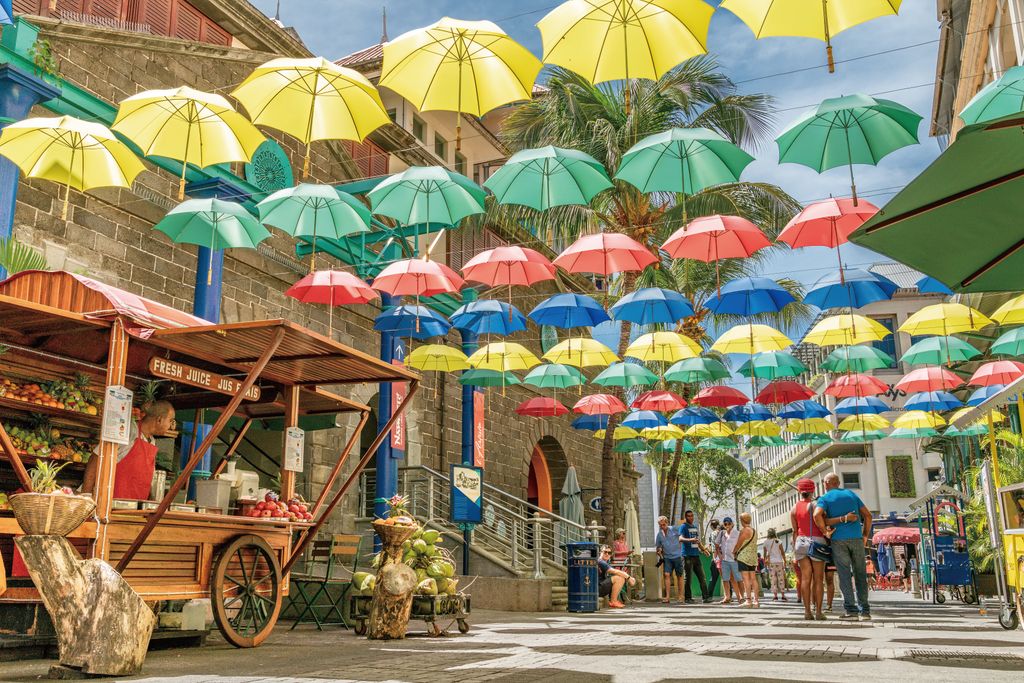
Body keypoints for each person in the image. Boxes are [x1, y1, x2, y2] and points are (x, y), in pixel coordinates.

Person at [82, 400, 176, 500]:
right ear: (159, 420)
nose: (171, 426)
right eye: (170, 421)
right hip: (109, 502)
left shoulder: (151, 441)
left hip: (132, 507)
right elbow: (96, 457)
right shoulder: (127, 430)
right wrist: (86, 495)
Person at [814, 472, 873, 622]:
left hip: (838, 540)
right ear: (838, 483)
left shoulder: (825, 498)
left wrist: (824, 530)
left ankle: (851, 610)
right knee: (860, 574)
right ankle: (865, 611)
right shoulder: (851, 494)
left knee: (844, 575)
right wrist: (865, 535)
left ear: (826, 484)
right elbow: (868, 515)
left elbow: (816, 515)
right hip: (857, 538)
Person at [791, 477, 826, 621]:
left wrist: (794, 550)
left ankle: (807, 612)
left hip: (800, 541)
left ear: (800, 491)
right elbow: (822, 522)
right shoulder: (816, 505)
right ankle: (818, 611)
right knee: (818, 579)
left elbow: (794, 530)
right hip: (816, 541)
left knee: (805, 578)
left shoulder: (794, 508)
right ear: (813, 490)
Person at [678, 510, 712, 604]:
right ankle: (688, 598)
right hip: (687, 556)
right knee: (688, 578)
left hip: (696, 555)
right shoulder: (683, 526)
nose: (691, 517)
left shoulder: (695, 527)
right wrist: (690, 540)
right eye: (688, 516)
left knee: (702, 577)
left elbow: (697, 541)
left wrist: (704, 550)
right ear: (686, 517)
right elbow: (680, 538)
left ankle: (706, 597)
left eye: (692, 516)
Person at [655, 515, 685, 603]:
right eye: (660, 525)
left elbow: (682, 536)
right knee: (667, 575)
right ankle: (667, 597)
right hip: (667, 557)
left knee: (679, 575)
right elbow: (658, 546)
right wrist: (659, 550)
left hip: (677, 556)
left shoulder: (674, 529)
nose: (662, 527)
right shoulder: (659, 534)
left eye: (663, 525)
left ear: (667, 523)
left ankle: (680, 596)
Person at [735, 512, 760, 608]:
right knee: (753, 579)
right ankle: (756, 601)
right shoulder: (754, 530)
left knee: (746, 579)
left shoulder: (744, 531)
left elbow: (738, 544)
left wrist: (734, 552)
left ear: (742, 521)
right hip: (753, 557)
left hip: (743, 558)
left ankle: (748, 600)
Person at [717, 517, 744, 605]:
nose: (727, 525)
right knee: (726, 579)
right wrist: (719, 554)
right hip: (725, 560)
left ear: (732, 524)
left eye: (729, 523)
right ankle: (727, 597)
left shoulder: (737, 533)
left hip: (735, 560)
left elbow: (742, 544)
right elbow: (717, 544)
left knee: (738, 579)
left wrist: (738, 554)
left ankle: (742, 597)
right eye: (725, 524)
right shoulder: (722, 533)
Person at [763, 528, 787, 601]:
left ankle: (775, 596)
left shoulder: (766, 542)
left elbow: (764, 554)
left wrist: (765, 561)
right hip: (779, 562)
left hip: (771, 563)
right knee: (781, 578)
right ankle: (783, 595)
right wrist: (785, 560)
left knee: (773, 579)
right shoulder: (778, 541)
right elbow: (782, 552)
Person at [706, 519, 722, 595]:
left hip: (717, 557)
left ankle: (708, 595)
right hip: (725, 557)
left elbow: (714, 547)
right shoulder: (723, 532)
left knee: (713, 577)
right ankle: (729, 595)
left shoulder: (713, 533)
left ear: (712, 526)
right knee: (726, 578)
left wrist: (714, 558)